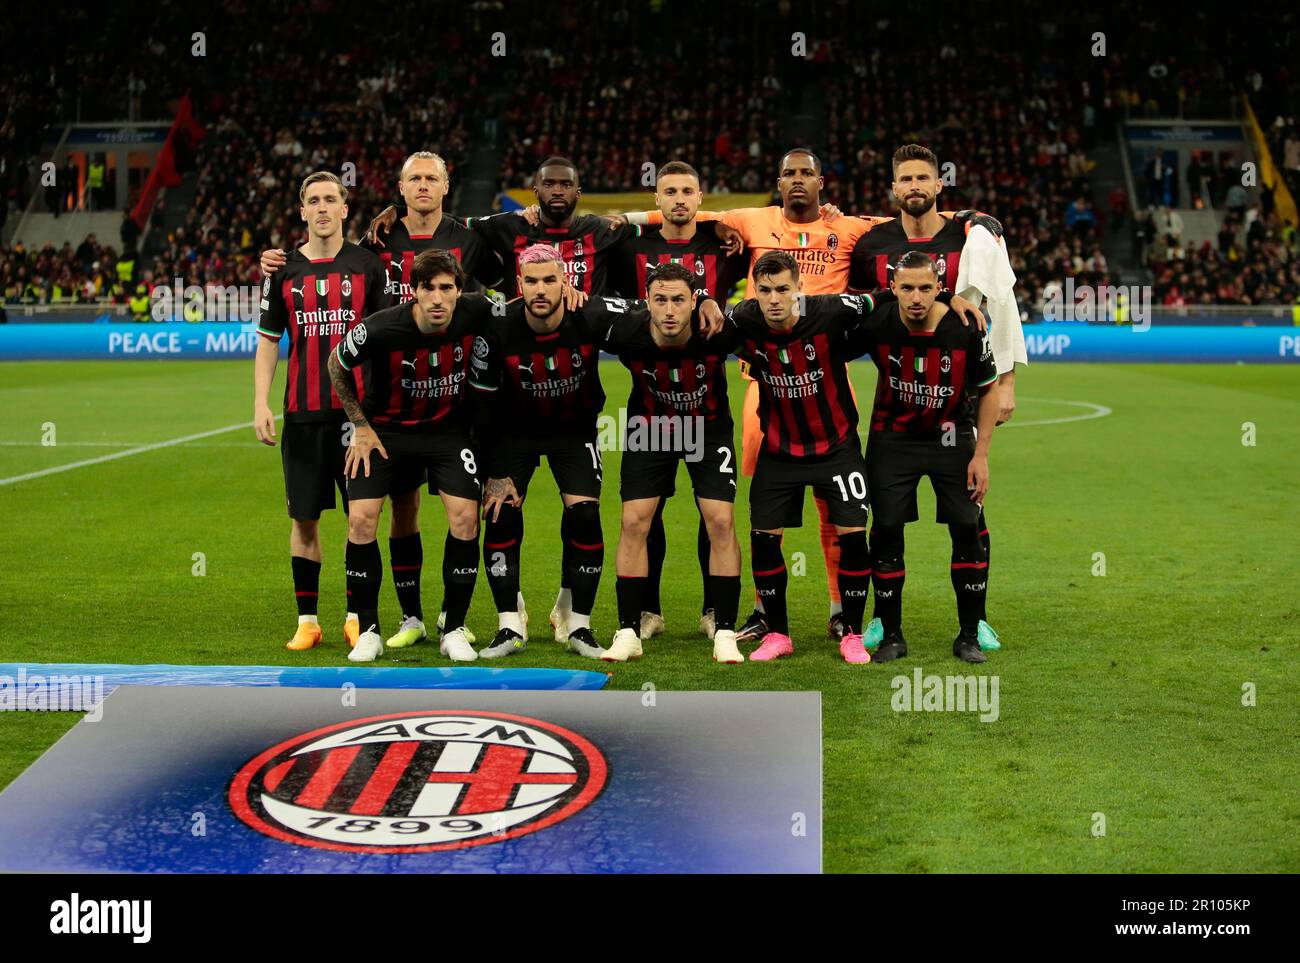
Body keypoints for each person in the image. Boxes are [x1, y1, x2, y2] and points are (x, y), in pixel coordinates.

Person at [261, 151, 505, 649]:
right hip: (367, 412)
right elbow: (328, 349)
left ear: (445, 183)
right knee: (359, 516)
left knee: (439, 513)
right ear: (398, 187)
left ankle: (442, 622)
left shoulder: (459, 242)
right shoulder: (374, 246)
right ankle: (361, 620)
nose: (421, 186)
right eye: (412, 178)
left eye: (430, 178)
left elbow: (506, 292)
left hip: (433, 413)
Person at [847, 143, 1015, 652]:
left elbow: (1001, 296)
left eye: (925, 177)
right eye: (906, 179)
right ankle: (884, 623)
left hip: (953, 424)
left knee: (968, 523)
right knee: (888, 526)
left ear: (940, 183)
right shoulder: (872, 245)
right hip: (893, 423)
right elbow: (854, 314)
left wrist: (1007, 382)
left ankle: (975, 624)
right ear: (894, 188)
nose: (915, 186)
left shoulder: (971, 236)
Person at [328, 250, 494, 662]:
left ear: (459, 291)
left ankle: (453, 628)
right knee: (362, 519)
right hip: (386, 434)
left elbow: (527, 302)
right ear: (414, 292)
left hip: (446, 434)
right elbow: (337, 363)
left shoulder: (478, 310)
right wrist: (361, 425)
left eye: (446, 289)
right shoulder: (381, 328)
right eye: (428, 289)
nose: (438, 299)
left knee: (465, 518)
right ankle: (368, 630)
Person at [606, 160, 748, 643]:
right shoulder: (631, 245)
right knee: (647, 515)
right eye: (670, 191)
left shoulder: (724, 242)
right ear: (657, 199)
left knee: (717, 515)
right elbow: (597, 229)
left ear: (702, 197)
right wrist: (632, 219)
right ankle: (646, 611)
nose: (680, 199)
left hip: (709, 410)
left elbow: (779, 234)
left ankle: (715, 610)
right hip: (652, 411)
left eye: (689, 190)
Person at [253, 171, 389, 652]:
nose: (324, 208)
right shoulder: (282, 271)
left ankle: (357, 616)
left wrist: (377, 412)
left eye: (332, 199)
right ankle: (308, 621)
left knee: (361, 518)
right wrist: (260, 402)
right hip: (303, 415)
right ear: (303, 210)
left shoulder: (368, 267)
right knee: (304, 520)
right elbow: (269, 341)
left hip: (357, 422)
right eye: (315, 200)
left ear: (346, 209)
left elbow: (386, 338)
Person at [469, 245, 611, 659]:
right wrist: (493, 471)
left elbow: (646, 307)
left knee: (585, 514)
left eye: (550, 279)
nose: (541, 289)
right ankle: (510, 624)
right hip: (513, 435)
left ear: (565, 281)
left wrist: (705, 299)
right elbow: (480, 406)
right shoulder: (498, 329)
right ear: (519, 285)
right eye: (531, 281)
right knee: (500, 512)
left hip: (574, 432)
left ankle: (577, 623)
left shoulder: (590, 315)